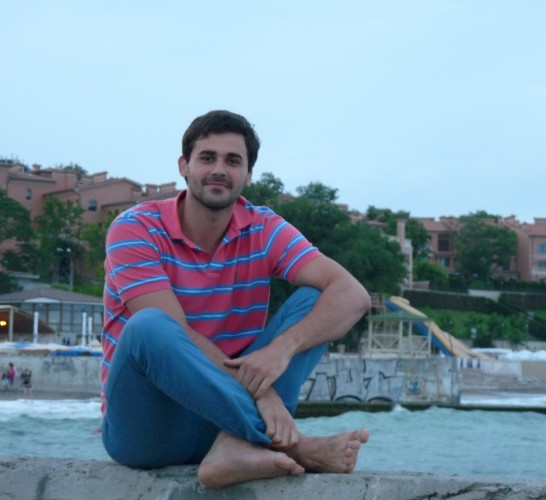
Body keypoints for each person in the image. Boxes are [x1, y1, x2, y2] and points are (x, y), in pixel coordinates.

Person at [101, 110, 371, 488]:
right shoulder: (135, 228)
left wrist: (280, 350)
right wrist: (263, 399)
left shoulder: (263, 228)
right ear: (184, 166)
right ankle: (295, 447)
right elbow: (174, 334)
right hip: (147, 431)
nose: (219, 170)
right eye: (207, 157)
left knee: (316, 298)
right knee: (149, 327)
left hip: (223, 425)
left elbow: (353, 295)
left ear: (248, 175)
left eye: (233, 161)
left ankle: (234, 447)